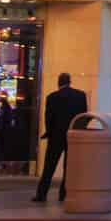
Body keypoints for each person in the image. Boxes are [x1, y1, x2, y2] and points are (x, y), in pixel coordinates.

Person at [33, 72, 88, 203]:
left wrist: (49, 132)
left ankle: (42, 194)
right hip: (73, 136)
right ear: (70, 81)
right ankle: (63, 194)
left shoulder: (52, 97)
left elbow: (49, 118)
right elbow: (83, 116)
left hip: (56, 136)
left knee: (49, 166)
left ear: (59, 82)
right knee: (68, 167)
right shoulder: (80, 96)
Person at [0, 90, 18, 165]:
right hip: (5, 129)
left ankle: (1, 163)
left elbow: (1, 118)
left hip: (3, 130)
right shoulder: (6, 106)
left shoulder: (4, 106)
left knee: (1, 147)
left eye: (1, 96)